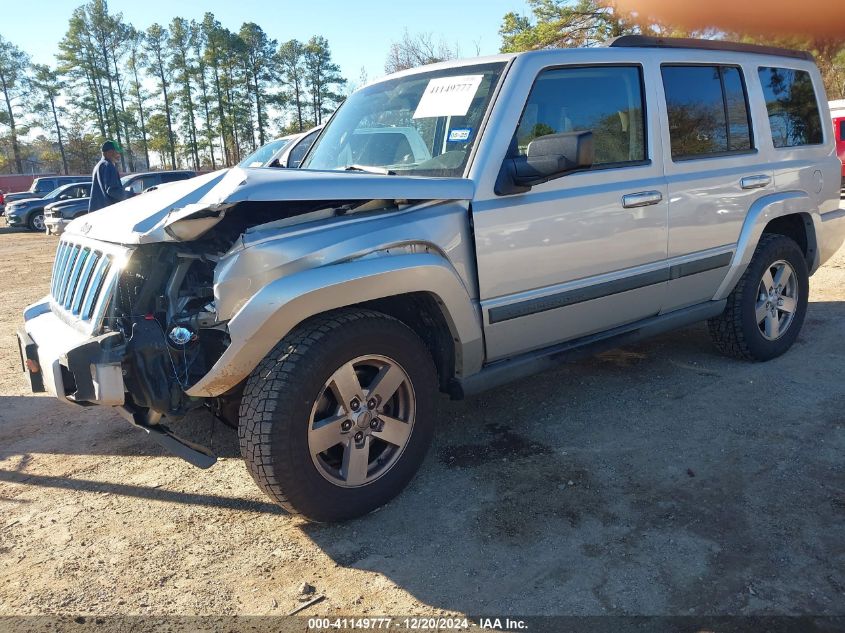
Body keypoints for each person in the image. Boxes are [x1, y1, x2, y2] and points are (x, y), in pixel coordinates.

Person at [89, 140, 125, 213]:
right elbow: (112, 190)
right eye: (117, 152)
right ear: (109, 152)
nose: (119, 155)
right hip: (107, 213)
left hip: (97, 212)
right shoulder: (108, 166)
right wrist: (132, 195)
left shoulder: (99, 165)